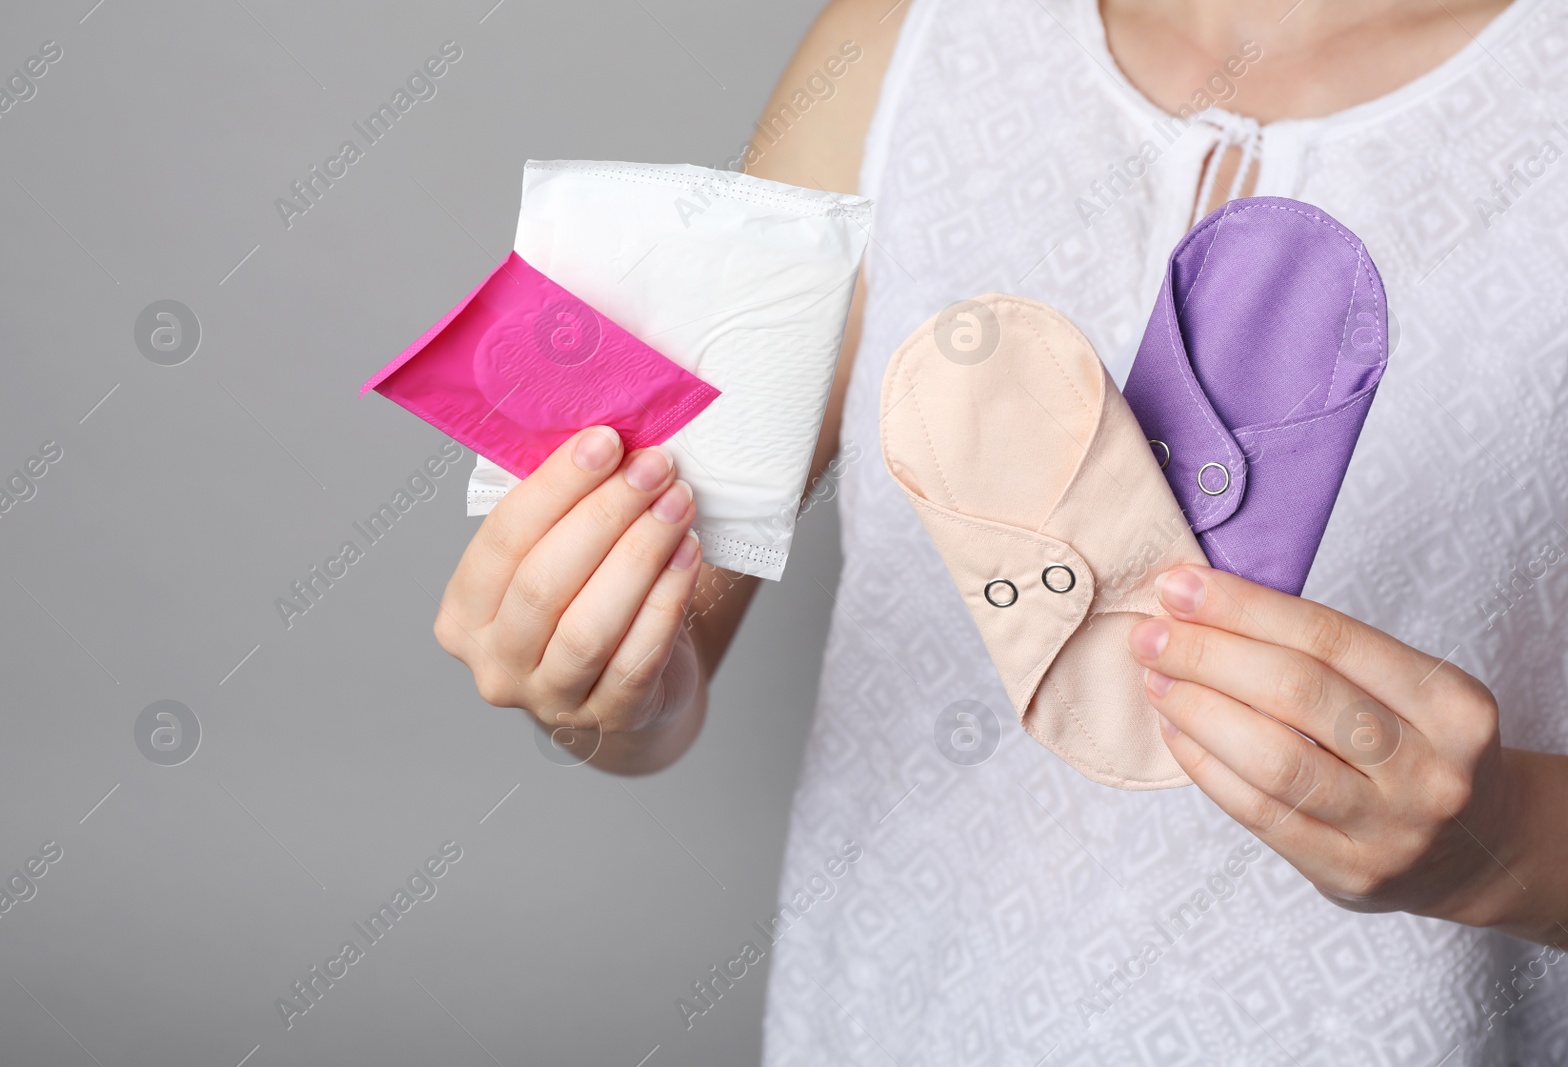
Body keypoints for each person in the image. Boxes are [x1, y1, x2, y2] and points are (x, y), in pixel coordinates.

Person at [432, 0, 1568, 1060]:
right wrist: (600, 682)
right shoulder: (898, 45)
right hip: (897, 1015)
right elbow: (666, 676)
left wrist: (1506, 847)